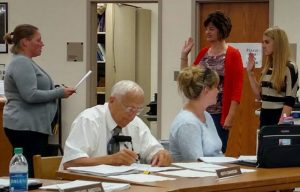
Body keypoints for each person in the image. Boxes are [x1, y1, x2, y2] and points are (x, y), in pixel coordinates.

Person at [3, 24, 76, 177]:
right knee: (29, 171)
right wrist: (59, 93)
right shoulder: (21, 63)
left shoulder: (26, 62)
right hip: (25, 127)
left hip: (32, 127)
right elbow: (30, 95)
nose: (42, 44)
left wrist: (58, 92)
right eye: (38, 40)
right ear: (25, 42)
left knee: (32, 169)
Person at [61, 80, 171, 169]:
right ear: (112, 100)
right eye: (130, 109)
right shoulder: (89, 120)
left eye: (138, 110)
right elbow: (70, 162)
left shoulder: (136, 124)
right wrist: (110, 160)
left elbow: (154, 150)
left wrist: (161, 155)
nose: (132, 115)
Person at [180, 11, 243, 153]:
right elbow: (187, 78)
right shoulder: (203, 53)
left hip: (219, 113)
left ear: (221, 30)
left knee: (216, 152)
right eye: (206, 28)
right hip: (199, 111)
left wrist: (230, 116)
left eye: (212, 29)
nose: (207, 32)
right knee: (198, 151)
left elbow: (237, 89)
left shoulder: (233, 54)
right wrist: (184, 56)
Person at [247, 26, 298, 127]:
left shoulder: (290, 67)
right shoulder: (268, 68)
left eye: (267, 42)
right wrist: (250, 73)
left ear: (277, 44)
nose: (263, 46)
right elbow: (259, 95)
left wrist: (280, 125)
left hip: (279, 119)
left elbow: (289, 102)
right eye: (263, 42)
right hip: (264, 117)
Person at [169, 66, 223, 162]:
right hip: (198, 175)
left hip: (214, 172)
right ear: (206, 90)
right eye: (216, 87)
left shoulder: (207, 116)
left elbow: (217, 153)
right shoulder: (187, 123)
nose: (218, 91)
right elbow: (196, 162)